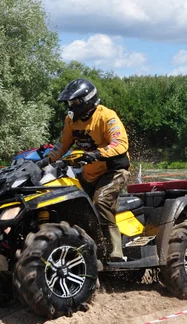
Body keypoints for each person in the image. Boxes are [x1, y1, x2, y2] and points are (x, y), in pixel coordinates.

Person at [36, 78, 130, 262]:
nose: (70, 106)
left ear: (87, 101)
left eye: (74, 102)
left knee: (100, 201)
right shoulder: (71, 120)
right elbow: (61, 146)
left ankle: (116, 250)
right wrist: (43, 162)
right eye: (69, 103)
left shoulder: (107, 116)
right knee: (71, 203)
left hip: (114, 172)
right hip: (88, 174)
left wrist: (95, 154)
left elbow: (121, 144)